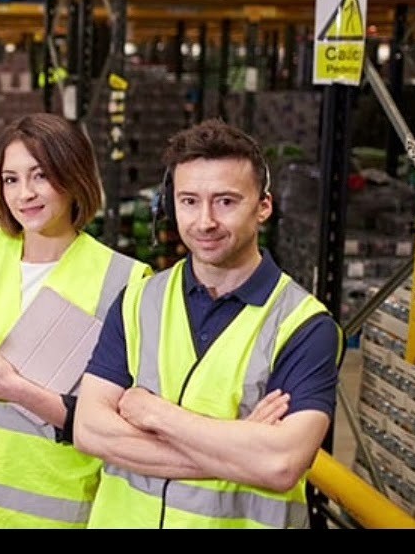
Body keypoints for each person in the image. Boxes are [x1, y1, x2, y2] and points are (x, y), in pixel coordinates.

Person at [74, 118, 343, 529]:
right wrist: (238, 446)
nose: (204, 222)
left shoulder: (304, 326)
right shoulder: (137, 301)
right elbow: (91, 432)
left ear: (263, 206)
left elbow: (280, 464)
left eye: (226, 201)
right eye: (189, 201)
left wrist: (155, 414)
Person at [0, 113, 151, 529]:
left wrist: (18, 391)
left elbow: (123, 416)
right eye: (10, 179)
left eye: (40, 176)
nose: (24, 193)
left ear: (73, 175)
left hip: (54, 510)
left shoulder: (123, 281)